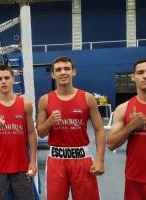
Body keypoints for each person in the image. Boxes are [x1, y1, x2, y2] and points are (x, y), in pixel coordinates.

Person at [37, 56, 105, 200]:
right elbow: (41, 133)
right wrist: (49, 122)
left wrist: (100, 160)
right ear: (53, 74)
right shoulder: (45, 100)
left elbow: (99, 129)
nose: (63, 72)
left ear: (74, 72)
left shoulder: (87, 98)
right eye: (58, 70)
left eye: (67, 68)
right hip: (56, 160)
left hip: (82, 159)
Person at [107, 58, 146, 200]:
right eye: (140, 72)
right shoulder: (123, 108)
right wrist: (131, 126)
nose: (145, 75)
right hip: (134, 182)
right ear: (133, 77)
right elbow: (111, 144)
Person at [0, 64, 37, 200]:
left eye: (6, 78)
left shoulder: (25, 104)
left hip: (22, 166)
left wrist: (33, 161)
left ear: (13, 79)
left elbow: (30, 133)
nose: (3, 81)